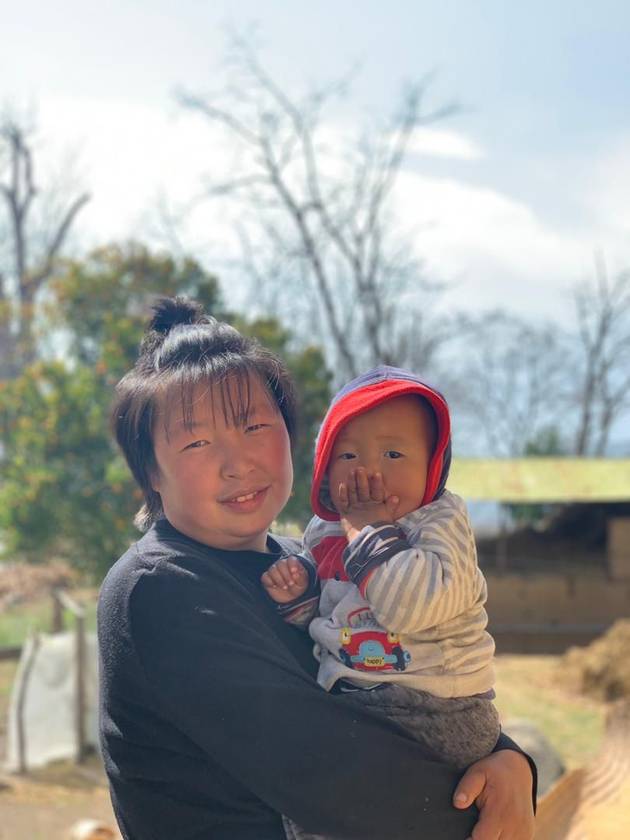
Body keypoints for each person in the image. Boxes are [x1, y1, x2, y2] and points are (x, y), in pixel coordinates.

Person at [98, 296, 537, 840]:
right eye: (197, 441)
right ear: (151, 474)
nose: (239, 464)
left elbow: (399, 679)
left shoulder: (302, 567)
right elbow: (331, 768)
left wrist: (510, 763)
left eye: (255, 426)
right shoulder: (162, 588)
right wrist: (482, 805)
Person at [262, 367, 501, 840]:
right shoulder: (325, 530)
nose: (369, 471)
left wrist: (369, 529)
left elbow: (408, 608)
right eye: (348, 454)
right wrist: (299, 598)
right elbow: (333, 619)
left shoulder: (439, 522)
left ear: (433, 466)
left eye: (394, 453)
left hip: (438, 707)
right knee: (306, 796)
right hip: (361, 702)